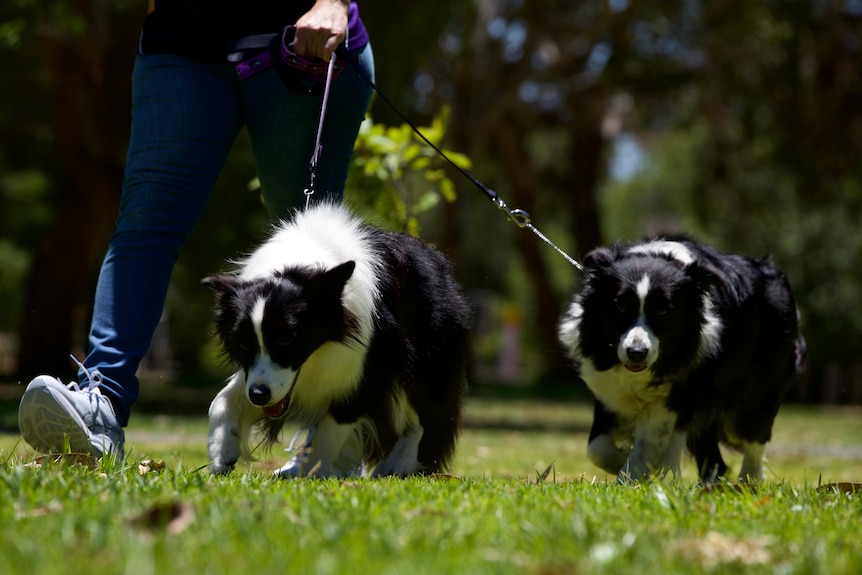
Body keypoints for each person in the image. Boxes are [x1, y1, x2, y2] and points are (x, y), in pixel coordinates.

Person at [17, 0, 374, 460]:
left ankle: (330, 434)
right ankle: (99, 405)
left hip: (305, 43)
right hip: (182, 45)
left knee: (317, 261)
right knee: (143, 229)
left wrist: (332, 2)